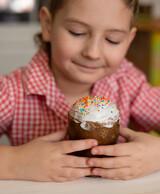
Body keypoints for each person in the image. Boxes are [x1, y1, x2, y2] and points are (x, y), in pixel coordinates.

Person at [0, 0, 160, 182]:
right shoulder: (12, 91)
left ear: (128, 40)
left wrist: (156, 154)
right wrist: (17, 162)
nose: (93, 53)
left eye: (112, 40)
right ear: (47, 25)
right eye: (77, 32)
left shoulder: (129, 83)